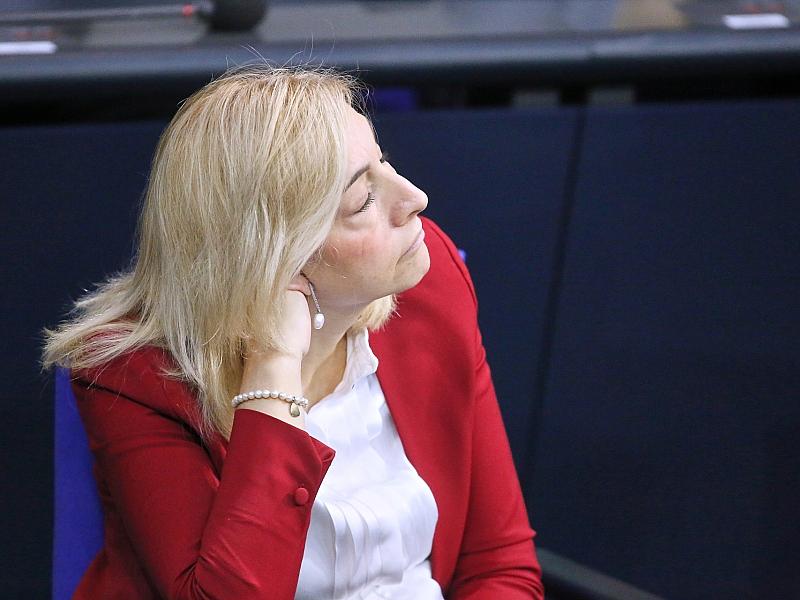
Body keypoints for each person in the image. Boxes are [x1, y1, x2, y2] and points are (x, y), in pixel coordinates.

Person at [43, 64, 543, 599]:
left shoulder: (428, 284)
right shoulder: (135, 374)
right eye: (362, 200)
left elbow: (499, 565)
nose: (415, 198)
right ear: (274, 259)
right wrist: (275, 364)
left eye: (384, 163)